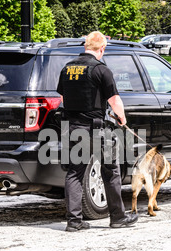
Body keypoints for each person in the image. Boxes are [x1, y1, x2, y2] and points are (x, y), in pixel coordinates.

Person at [57, 31, 138, 232]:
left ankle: (74, 222)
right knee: (111, 172)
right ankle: (118, 218)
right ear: (102, 49)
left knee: (75, 173)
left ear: (85, 46)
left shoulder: (67, 69)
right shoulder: (102, 70)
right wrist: (122, 118)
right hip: (97, 129)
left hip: (73, 128)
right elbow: (114, 100)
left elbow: (62, 100)